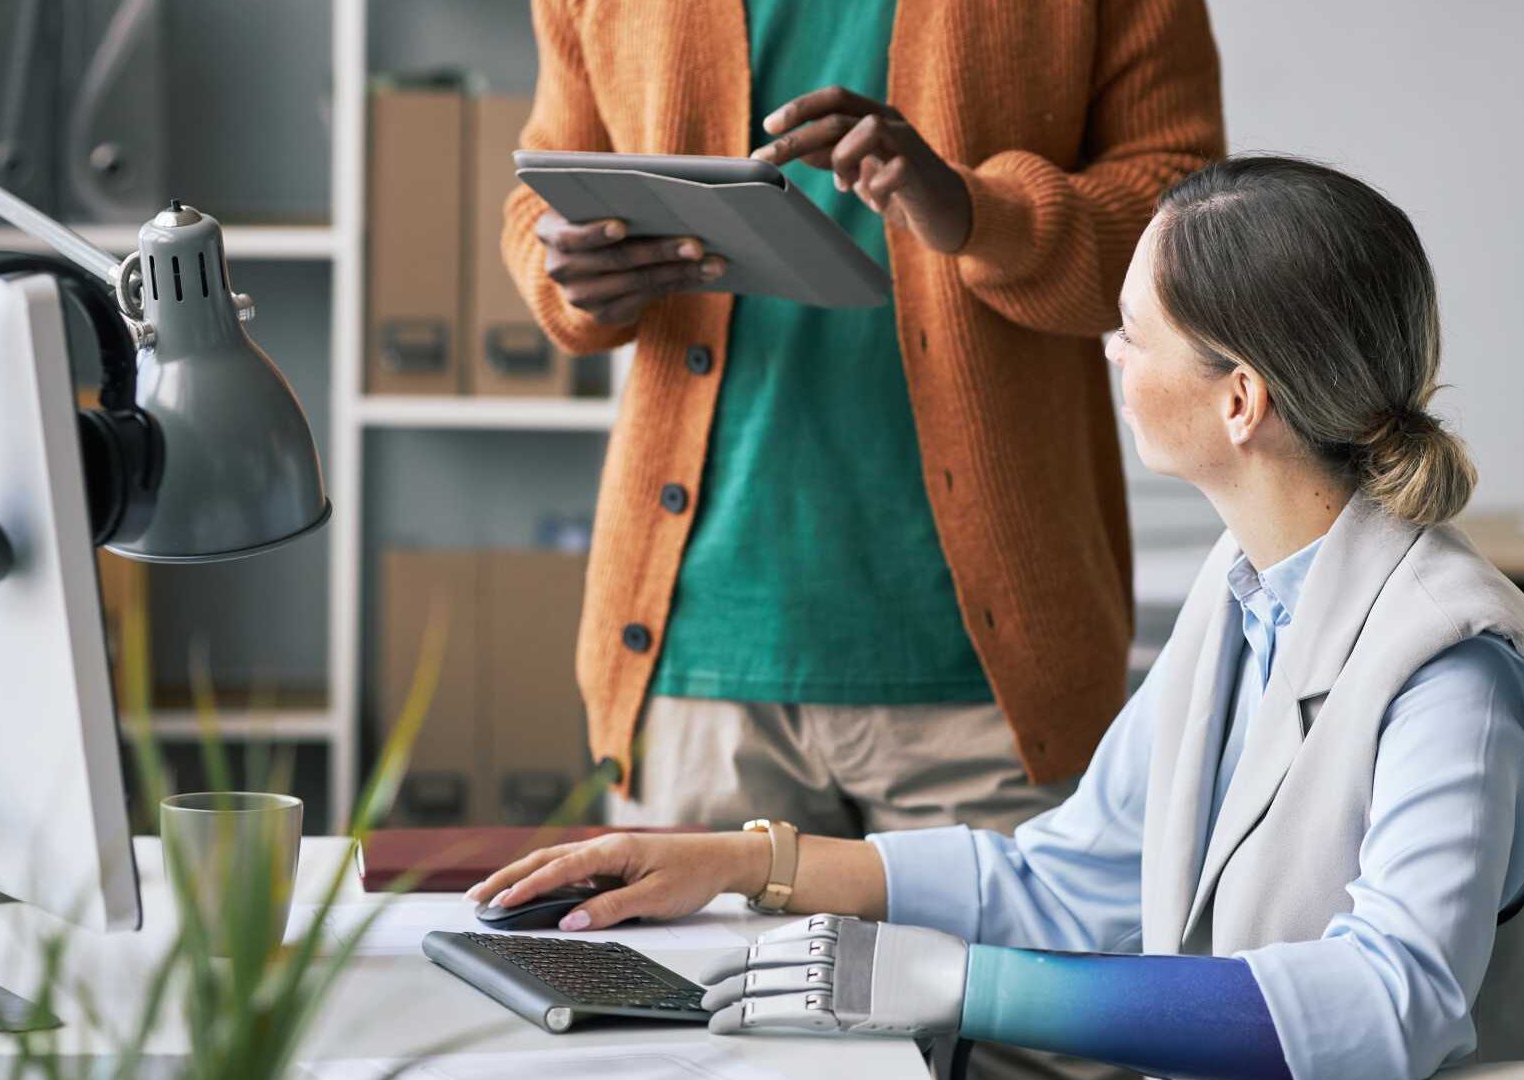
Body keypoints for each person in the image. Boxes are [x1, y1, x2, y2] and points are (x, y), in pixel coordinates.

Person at [471, 157, 1524, 1080]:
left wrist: (965, 986)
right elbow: (1066, 883)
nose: (1110, 352)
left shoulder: (1452, 673)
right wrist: (738, 863)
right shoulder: (1248, 594)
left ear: (1241, 400)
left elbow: (1391, 1004)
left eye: (1134, 330)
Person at [502, 3, 1224, 844]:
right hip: (691, 665)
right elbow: (543, 186)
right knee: (687, 943)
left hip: (987, 693)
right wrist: (565, 267)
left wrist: (978, 212)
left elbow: (1191, 229)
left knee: (1006, 941)